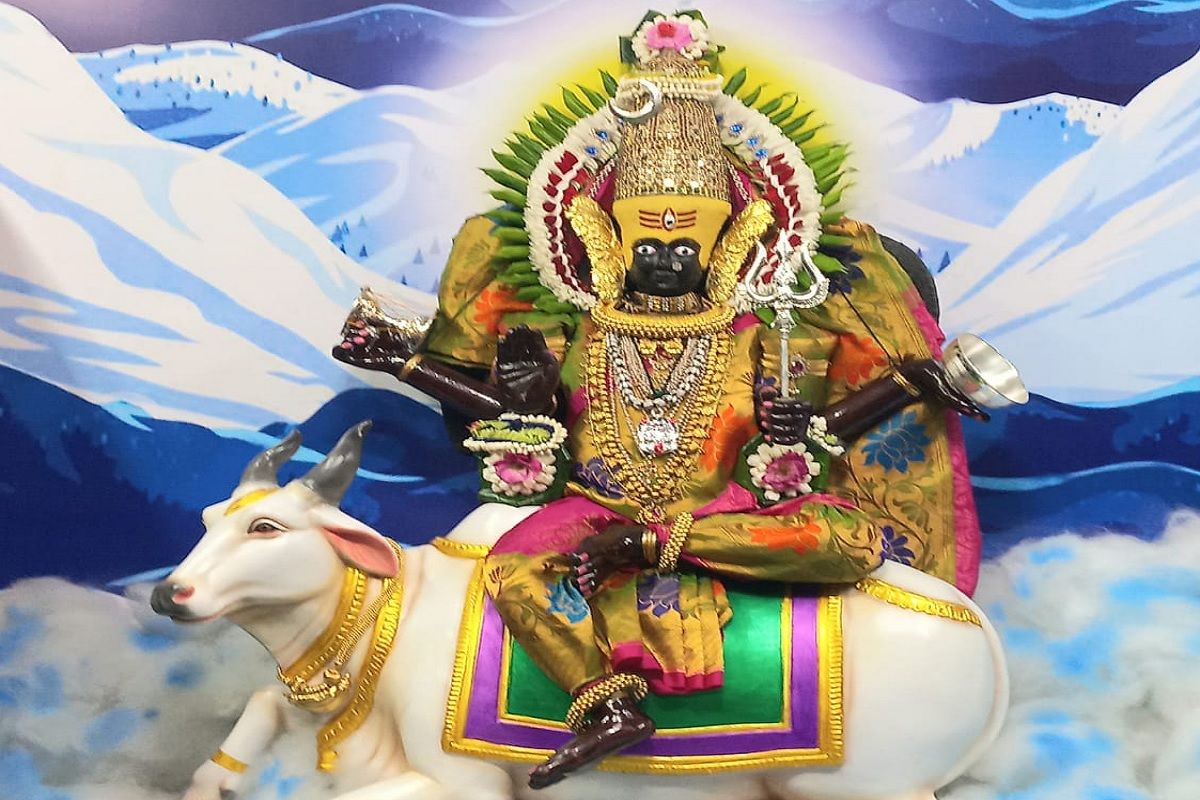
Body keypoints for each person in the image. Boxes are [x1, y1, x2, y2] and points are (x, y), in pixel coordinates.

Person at [333, 12, 986, 789]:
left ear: (723, 246)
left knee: (844, 539)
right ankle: (606, 706)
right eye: (648, 246)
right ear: (609, 243)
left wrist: (857, 403)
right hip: (596, 505)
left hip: (730, 514)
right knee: (511, 568)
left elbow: (807, 442)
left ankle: (656, 552)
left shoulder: (761, 335)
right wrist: (410, 364)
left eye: (684, 247)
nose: (667, 260)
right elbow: (519, 423)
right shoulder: (582, 331)